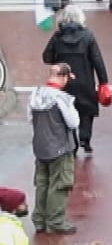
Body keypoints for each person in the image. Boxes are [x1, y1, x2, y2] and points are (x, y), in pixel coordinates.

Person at [40, 5, 105, 154]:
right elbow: (97, 60)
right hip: (85, 80)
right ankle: (85, 137)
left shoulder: (57, 37)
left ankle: (73, 142)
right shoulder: (88, 36)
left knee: (66, 111)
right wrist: (103, 81)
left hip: (64, 82)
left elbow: (46, 57)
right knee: (87, 110)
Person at [26, 65, 79, 235]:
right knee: (59, 185)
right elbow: (73, 123)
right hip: (60, 148)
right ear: (63, 77)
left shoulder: (35, 94)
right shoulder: (62, 98)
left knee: (42, 183)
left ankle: (39, 219)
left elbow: (29, 118)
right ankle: (56, 221)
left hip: (40, 147)